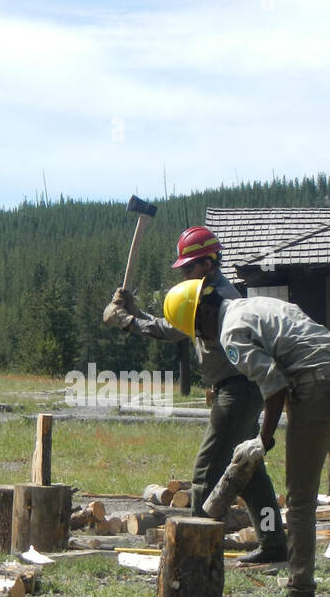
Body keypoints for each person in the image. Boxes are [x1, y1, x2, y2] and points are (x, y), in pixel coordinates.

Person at [161, 277, 330, 597]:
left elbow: (274, 385)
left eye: (195, 332)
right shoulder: (254, 305)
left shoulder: (230, 332)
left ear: (202, 317)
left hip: (319, 385)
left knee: (299, 500)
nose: (201, 340)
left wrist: (262, 441)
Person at [103, 226, 286, 564]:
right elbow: (178, 323)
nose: (185, 274)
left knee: (206, 470)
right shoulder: (208, 292)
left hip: (238, 388)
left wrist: (129, 321)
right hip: (238, 387)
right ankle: (274, 543)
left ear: (208, 263)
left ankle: (195, 551)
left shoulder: (216, 298)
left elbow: (172, 330)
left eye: (189, 267)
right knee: (249, 471)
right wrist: (136, 314)